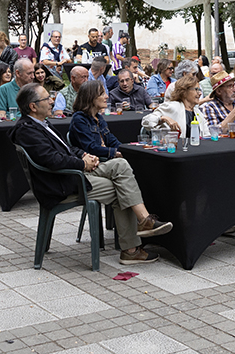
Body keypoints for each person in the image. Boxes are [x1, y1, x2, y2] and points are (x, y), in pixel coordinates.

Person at [12, 82, 168, 264]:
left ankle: (141, 225)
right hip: (61, 184)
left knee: (121, 165)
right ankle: (132, 246)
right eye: (47, 98)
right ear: (33, 106)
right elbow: (52, 160)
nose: (52, 101)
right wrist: (81, 163)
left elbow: (66, 148)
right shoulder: (27, 130)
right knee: (123, 189)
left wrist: (84, 155)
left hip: (70, 174)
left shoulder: (41, 124)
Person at [142, 74, 211, 138]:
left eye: (199, 90)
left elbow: (206, 135)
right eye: (196, 89)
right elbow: (145, 121)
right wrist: (164, 118)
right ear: (184, 92)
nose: (200, 93)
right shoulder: (172, 106)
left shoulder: (198, 112)